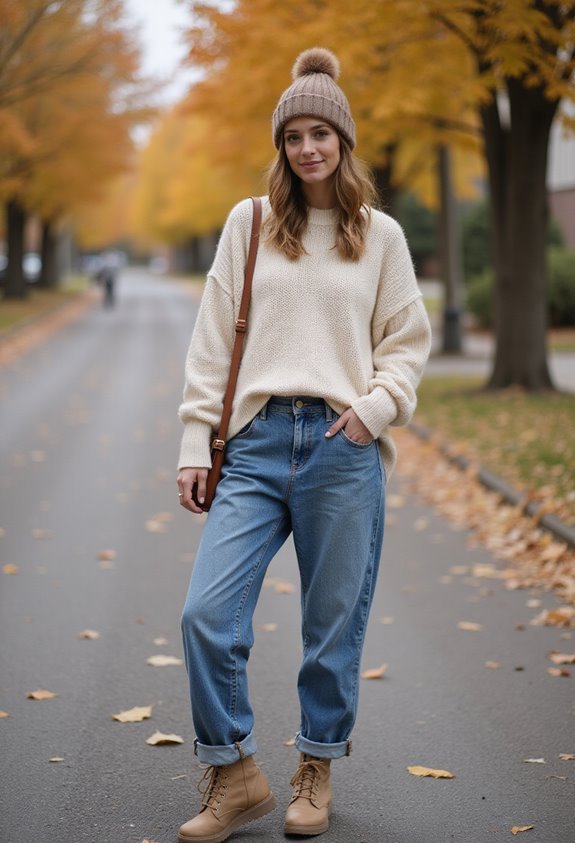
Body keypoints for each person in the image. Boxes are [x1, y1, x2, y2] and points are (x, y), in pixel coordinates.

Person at [176, 47, 432, 843]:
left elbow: (406, 340)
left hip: (339, 443)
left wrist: (375, 409)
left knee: (331, 624)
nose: (308, 148)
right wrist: (196, 439)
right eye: (294, 135)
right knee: (206, 614)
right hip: (253, 444)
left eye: (321, 132)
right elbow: (213, 338)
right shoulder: (249, 223)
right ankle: (234, 769)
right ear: (281, 145)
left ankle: (315, 766)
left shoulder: (379, 235)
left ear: (343, 141)